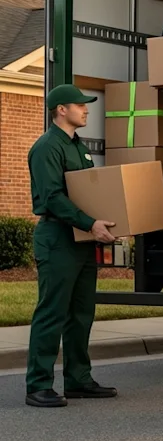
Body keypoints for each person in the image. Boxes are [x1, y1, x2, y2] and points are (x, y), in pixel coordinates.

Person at [25, 84, 119, 407]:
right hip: (57, 238)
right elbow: (53, 198)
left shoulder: (80, 148)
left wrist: (106, 221)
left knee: (81, 313)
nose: (87, 109)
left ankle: (78, 379)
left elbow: (89, 194)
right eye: (80, 105)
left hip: (82, 239)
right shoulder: (46, 148)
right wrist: (90, 223)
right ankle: (38, 384)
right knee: (52, 311)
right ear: (61, 110)